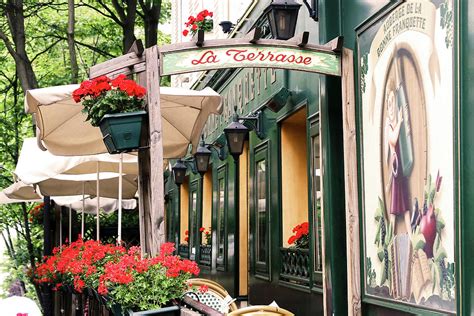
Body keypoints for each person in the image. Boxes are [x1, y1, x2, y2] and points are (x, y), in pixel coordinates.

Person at [385, 77, 412, 237]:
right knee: (395, 207)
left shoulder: (395, 123)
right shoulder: (389, 125)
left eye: (392, 102)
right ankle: (389, 236)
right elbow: (393, 140)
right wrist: (400, 122)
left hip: (400, 170)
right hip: (396, 171)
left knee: (405, 204)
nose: (390, 107)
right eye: (388, 103)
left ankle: (409, 235)